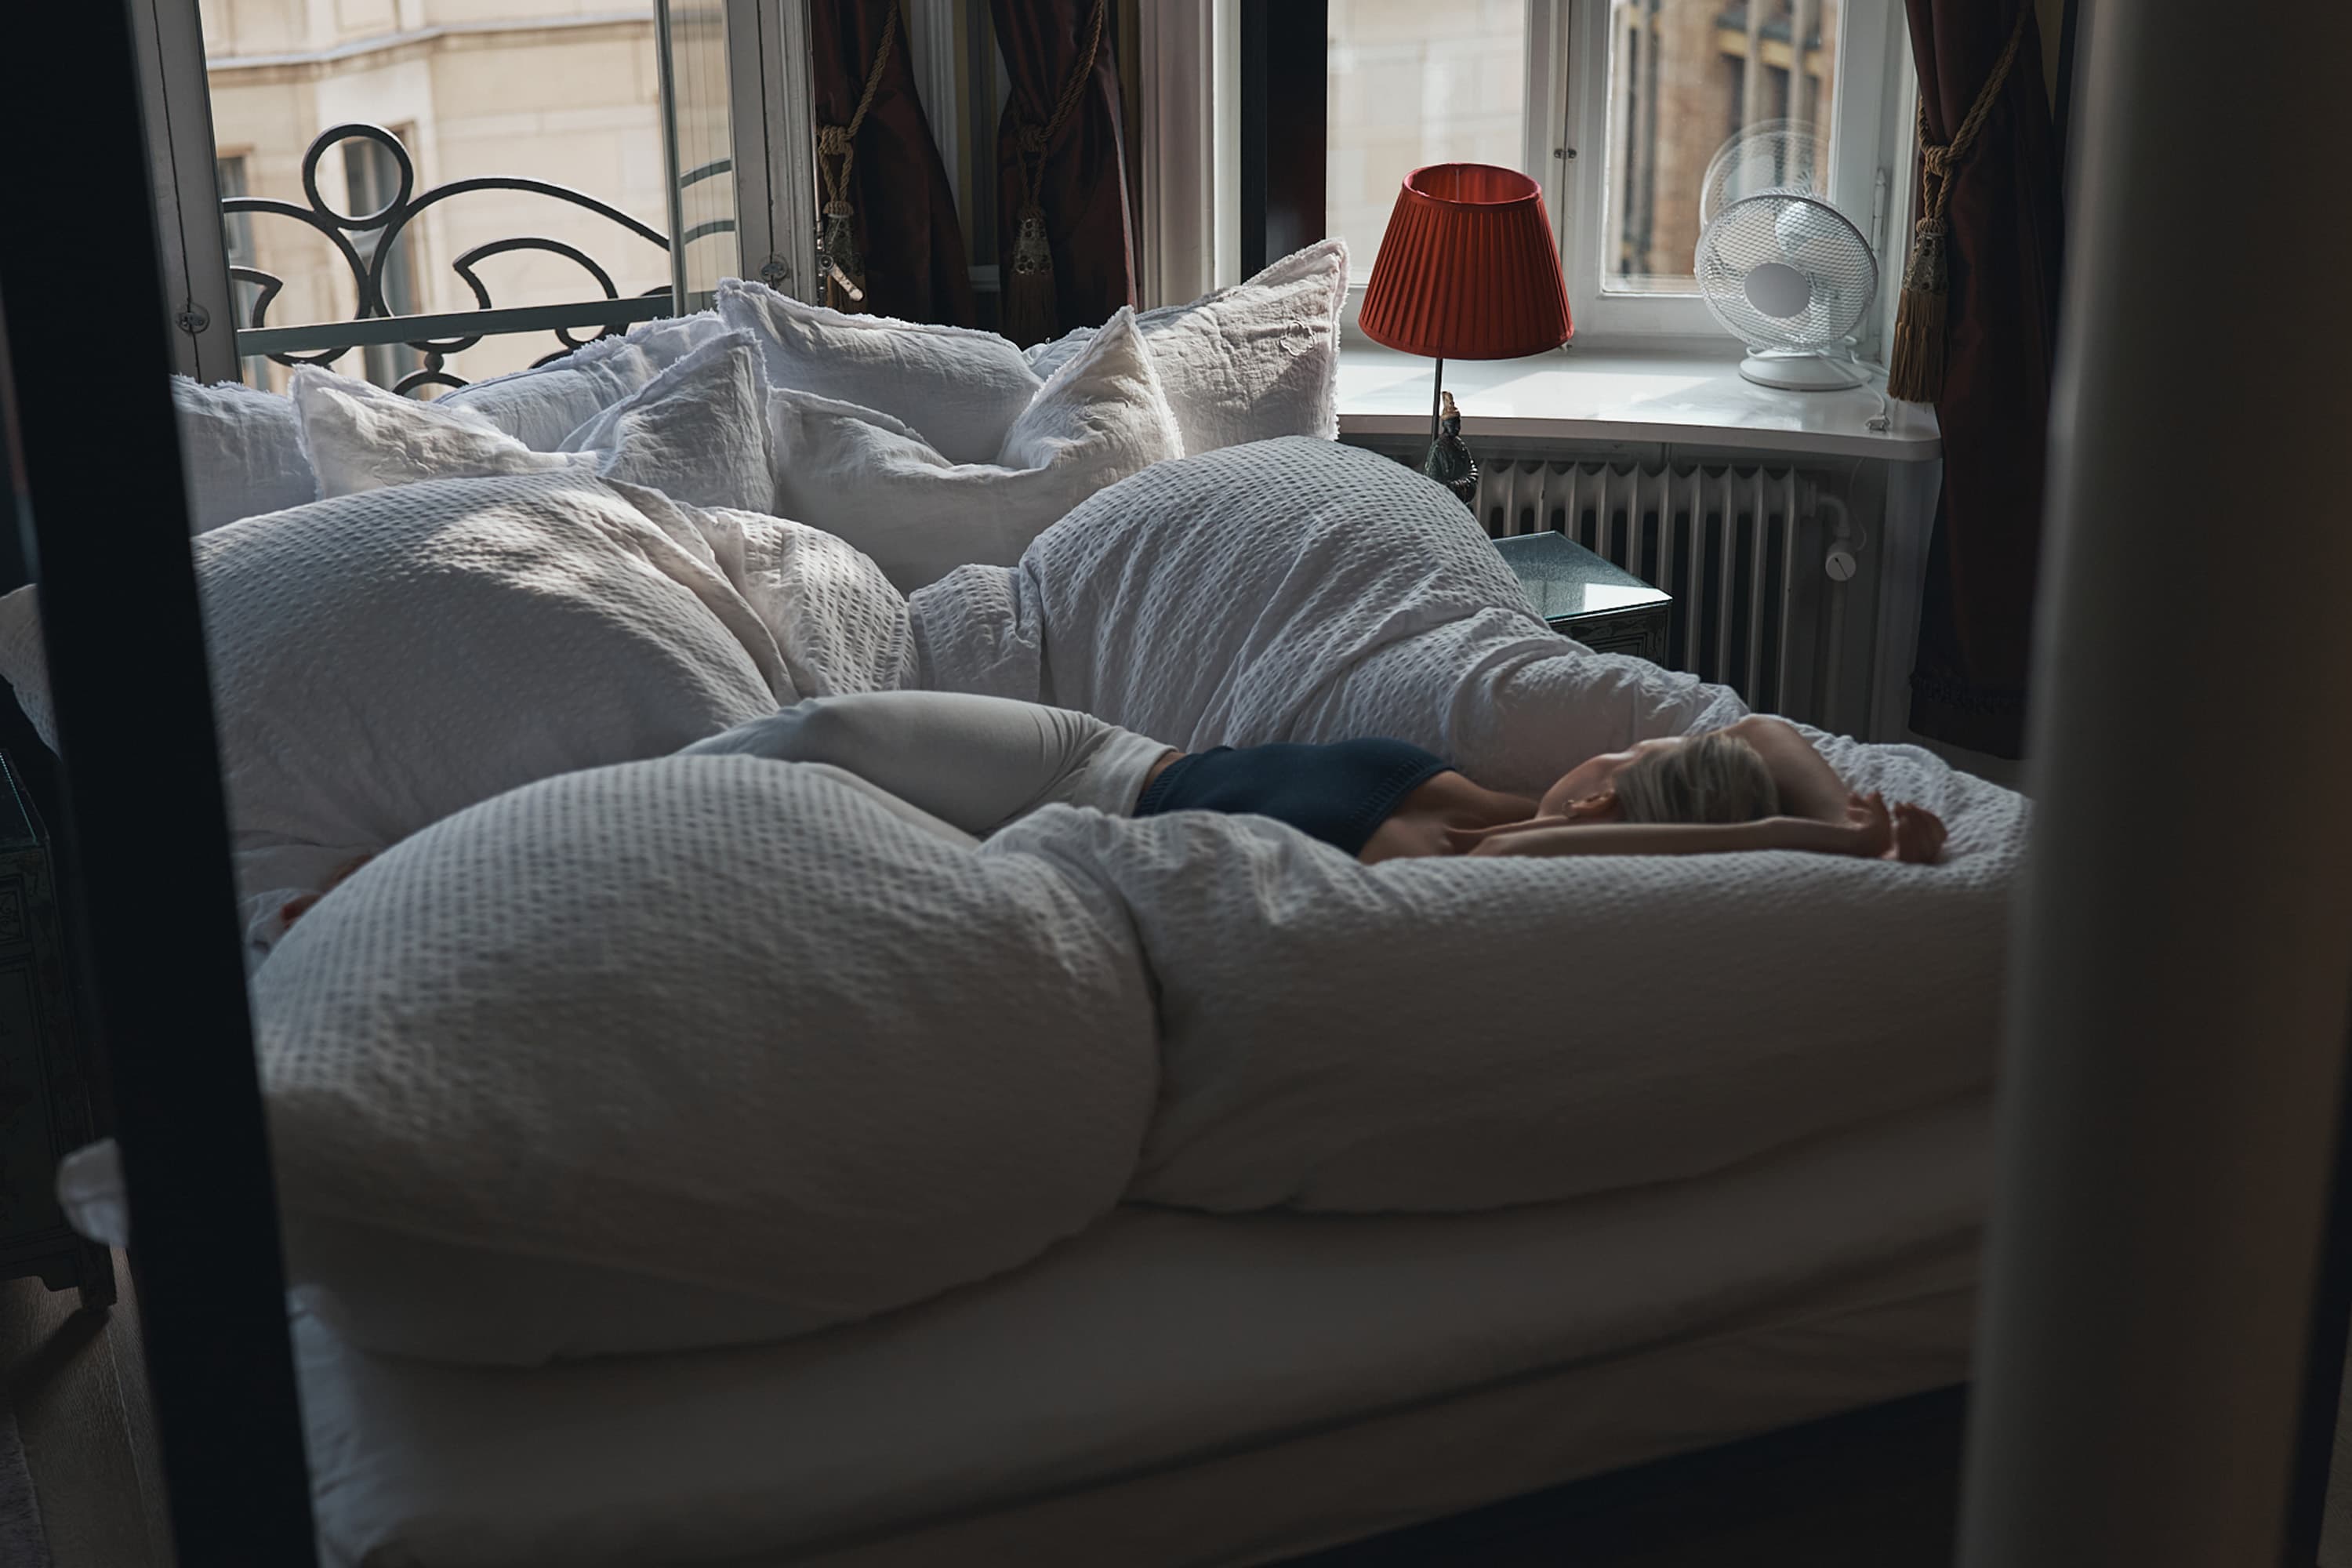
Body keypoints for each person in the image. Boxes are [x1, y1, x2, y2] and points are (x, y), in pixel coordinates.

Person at [680, 691, 1947, 866]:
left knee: (789, 806)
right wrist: (1840, 811)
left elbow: (1639, 848)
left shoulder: (1491, 861)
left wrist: (1805, 848)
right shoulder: (1498, 806)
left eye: (1632, 753)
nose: (1618, 740)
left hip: (1086, 839)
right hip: (1104, 755)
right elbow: (1770, 723)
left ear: (1605, 800)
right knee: (820, 730)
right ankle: (616, 797)